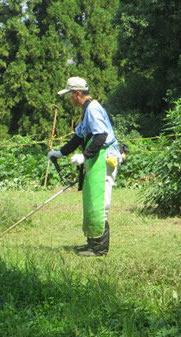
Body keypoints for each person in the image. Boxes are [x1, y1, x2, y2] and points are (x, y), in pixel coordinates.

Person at [47, 76, 122, 257]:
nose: (69, 99)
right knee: (91, 201)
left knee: (99, 203)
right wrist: (61, 152)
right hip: (95, 160)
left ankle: (100, 249)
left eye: (69, 95)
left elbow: (101, 136)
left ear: (77, 93)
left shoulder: (93, 109)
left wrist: (84, 155)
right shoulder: (86, 110)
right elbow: (79, 136)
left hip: (104, 160)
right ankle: (91, 243)